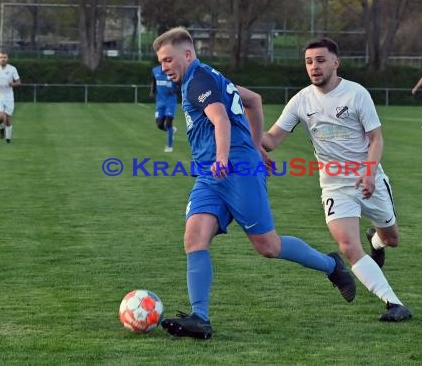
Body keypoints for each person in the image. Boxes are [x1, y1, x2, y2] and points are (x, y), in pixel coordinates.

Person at [152, 27, 356, 340]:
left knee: (268, 246)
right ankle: (200, 318)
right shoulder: (208, 76)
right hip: (212, 174)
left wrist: (228, 156)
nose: (164, 67)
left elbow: (220, 119)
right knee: (194, 237)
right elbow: (253, 100)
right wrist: (257, 145)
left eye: (168, 60)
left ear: (187, 54)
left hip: (234, 170)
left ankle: (332, 266)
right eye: (161, 62)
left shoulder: (199, 80)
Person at [262, 38, 412, 322]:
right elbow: (270, 140)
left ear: (335, 62)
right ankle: (394, 304)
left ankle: (377, 241)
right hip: (334, 185)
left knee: (392, 239)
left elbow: (376, 138)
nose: (314, 67)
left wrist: (369, 172)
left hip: (369, 179)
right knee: (347, 246)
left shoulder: (356, 94)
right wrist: (242, 128)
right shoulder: (301, 100)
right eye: (308, 62)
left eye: (320, 60)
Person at [0, 49, 21, 144]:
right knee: (0, 118)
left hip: (9, 96)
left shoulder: (12, 69)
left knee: (7, 119)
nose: (3, 59)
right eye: (1, 57)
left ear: (7, 58)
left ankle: (8, 139)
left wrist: (13, 84)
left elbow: (19, 82)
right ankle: (1, 128)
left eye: (4, 57)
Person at [150, 65, 179, 152]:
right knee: (159, 125)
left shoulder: (174, 70)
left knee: (169, 122)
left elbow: (180, 85)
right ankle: (172, 130)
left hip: (171, 101)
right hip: (160, 102)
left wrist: (174, 91)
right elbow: (153, 81)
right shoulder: (155, 70)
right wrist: (152, 91)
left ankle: (169, 146)